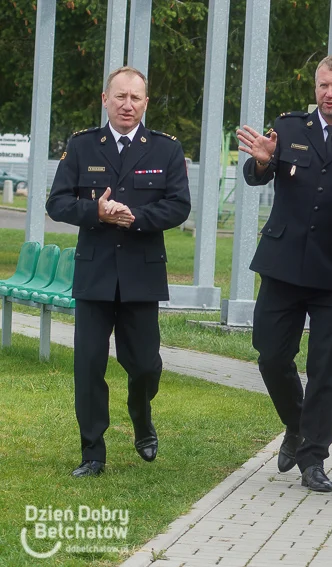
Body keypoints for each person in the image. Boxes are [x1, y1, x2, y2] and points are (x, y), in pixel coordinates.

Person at [235, 54, 332, 492]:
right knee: (271, 356)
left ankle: (314, 457)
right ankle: (296, 426)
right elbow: (257, 176)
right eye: (322, 86)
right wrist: (260, 161)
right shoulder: (290, 128)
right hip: (282, 265)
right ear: (315, 88)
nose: (328, 94)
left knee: (324, 368)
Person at [46, 66, 191, 478]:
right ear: (105, 100)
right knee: (88, 366)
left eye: (136, 98)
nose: (128, 105)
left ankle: (141, 416)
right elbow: (57, 203)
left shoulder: (164, 149)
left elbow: (179, 205)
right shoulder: (81, 147)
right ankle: (92, 452)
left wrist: (135, 217)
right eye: (120, 97)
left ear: (146, 103)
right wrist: (96, 211)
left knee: (145, 364)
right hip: (94, 276)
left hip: (141, 276)